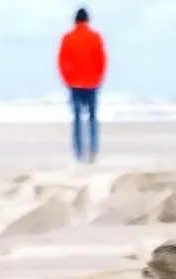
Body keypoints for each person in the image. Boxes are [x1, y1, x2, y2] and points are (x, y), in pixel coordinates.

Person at [57, 7, 107, 163]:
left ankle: (79, 153)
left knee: (77, 118)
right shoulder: (95, 37)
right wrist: (99, 78)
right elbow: (102, 60)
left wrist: (67, 80)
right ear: (87, 20)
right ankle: (93, 148)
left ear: (75, 21)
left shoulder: (68, 38)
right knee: (92, 117)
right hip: (92, 83)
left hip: (75, 84)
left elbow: (62, 62)